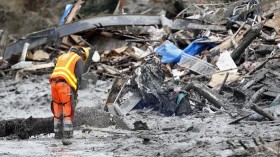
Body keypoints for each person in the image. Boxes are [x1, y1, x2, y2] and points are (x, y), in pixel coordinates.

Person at [49, 46, 89, 139]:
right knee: (68, 109)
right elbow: (79, 76)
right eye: (83, 59)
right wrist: (75, 91)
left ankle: (57, 134)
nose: (82, 61)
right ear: (82, 54)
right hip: (64, 85)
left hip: (53, 84)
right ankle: (67, 135)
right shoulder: (77, 58)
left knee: (57, 108)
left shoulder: (62, 57)